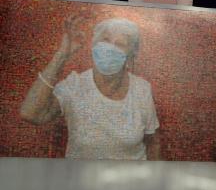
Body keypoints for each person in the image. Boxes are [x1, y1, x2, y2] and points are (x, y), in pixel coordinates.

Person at [19, 16, 160, 160]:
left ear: (130, 57)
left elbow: (153, 142)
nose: (110, 48)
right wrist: (62, 55)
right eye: (105, 40)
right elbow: (30, 114)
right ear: (94, 47)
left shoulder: (142, 89)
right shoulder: (74, 85)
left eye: (120, 44)